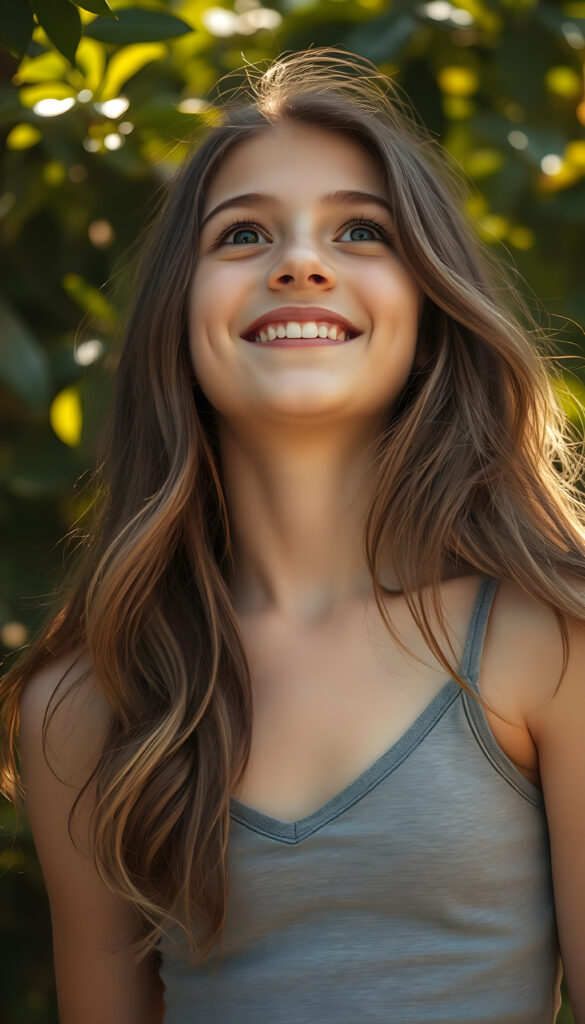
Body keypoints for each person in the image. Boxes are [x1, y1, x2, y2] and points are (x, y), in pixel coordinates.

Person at [1, 46, 584, 1024]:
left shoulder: (546, 635)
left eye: (361, 230)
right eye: (242, 236)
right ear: (177, 317)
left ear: (429, 309)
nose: (301, 261)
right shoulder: (85, 704)